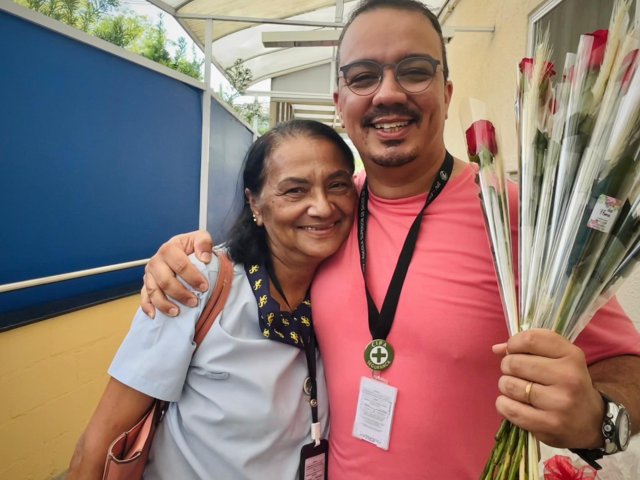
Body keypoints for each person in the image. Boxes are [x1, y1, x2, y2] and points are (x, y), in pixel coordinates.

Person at [140, 0, 640, 478]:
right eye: (363, 77)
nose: (388, 94)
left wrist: (600, 418)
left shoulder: (516, 217)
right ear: (340, 104)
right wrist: (179, 259)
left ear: (446, 92)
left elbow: (626, 365)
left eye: (415, 70)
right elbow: (247, 258)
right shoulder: (327, 218)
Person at [67, 119, 357, 479]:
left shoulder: (352, 287)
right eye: (295, 191)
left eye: (337, 185)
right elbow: (98, 444)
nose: (323, 207)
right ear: (254, 203)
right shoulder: (196, 282)